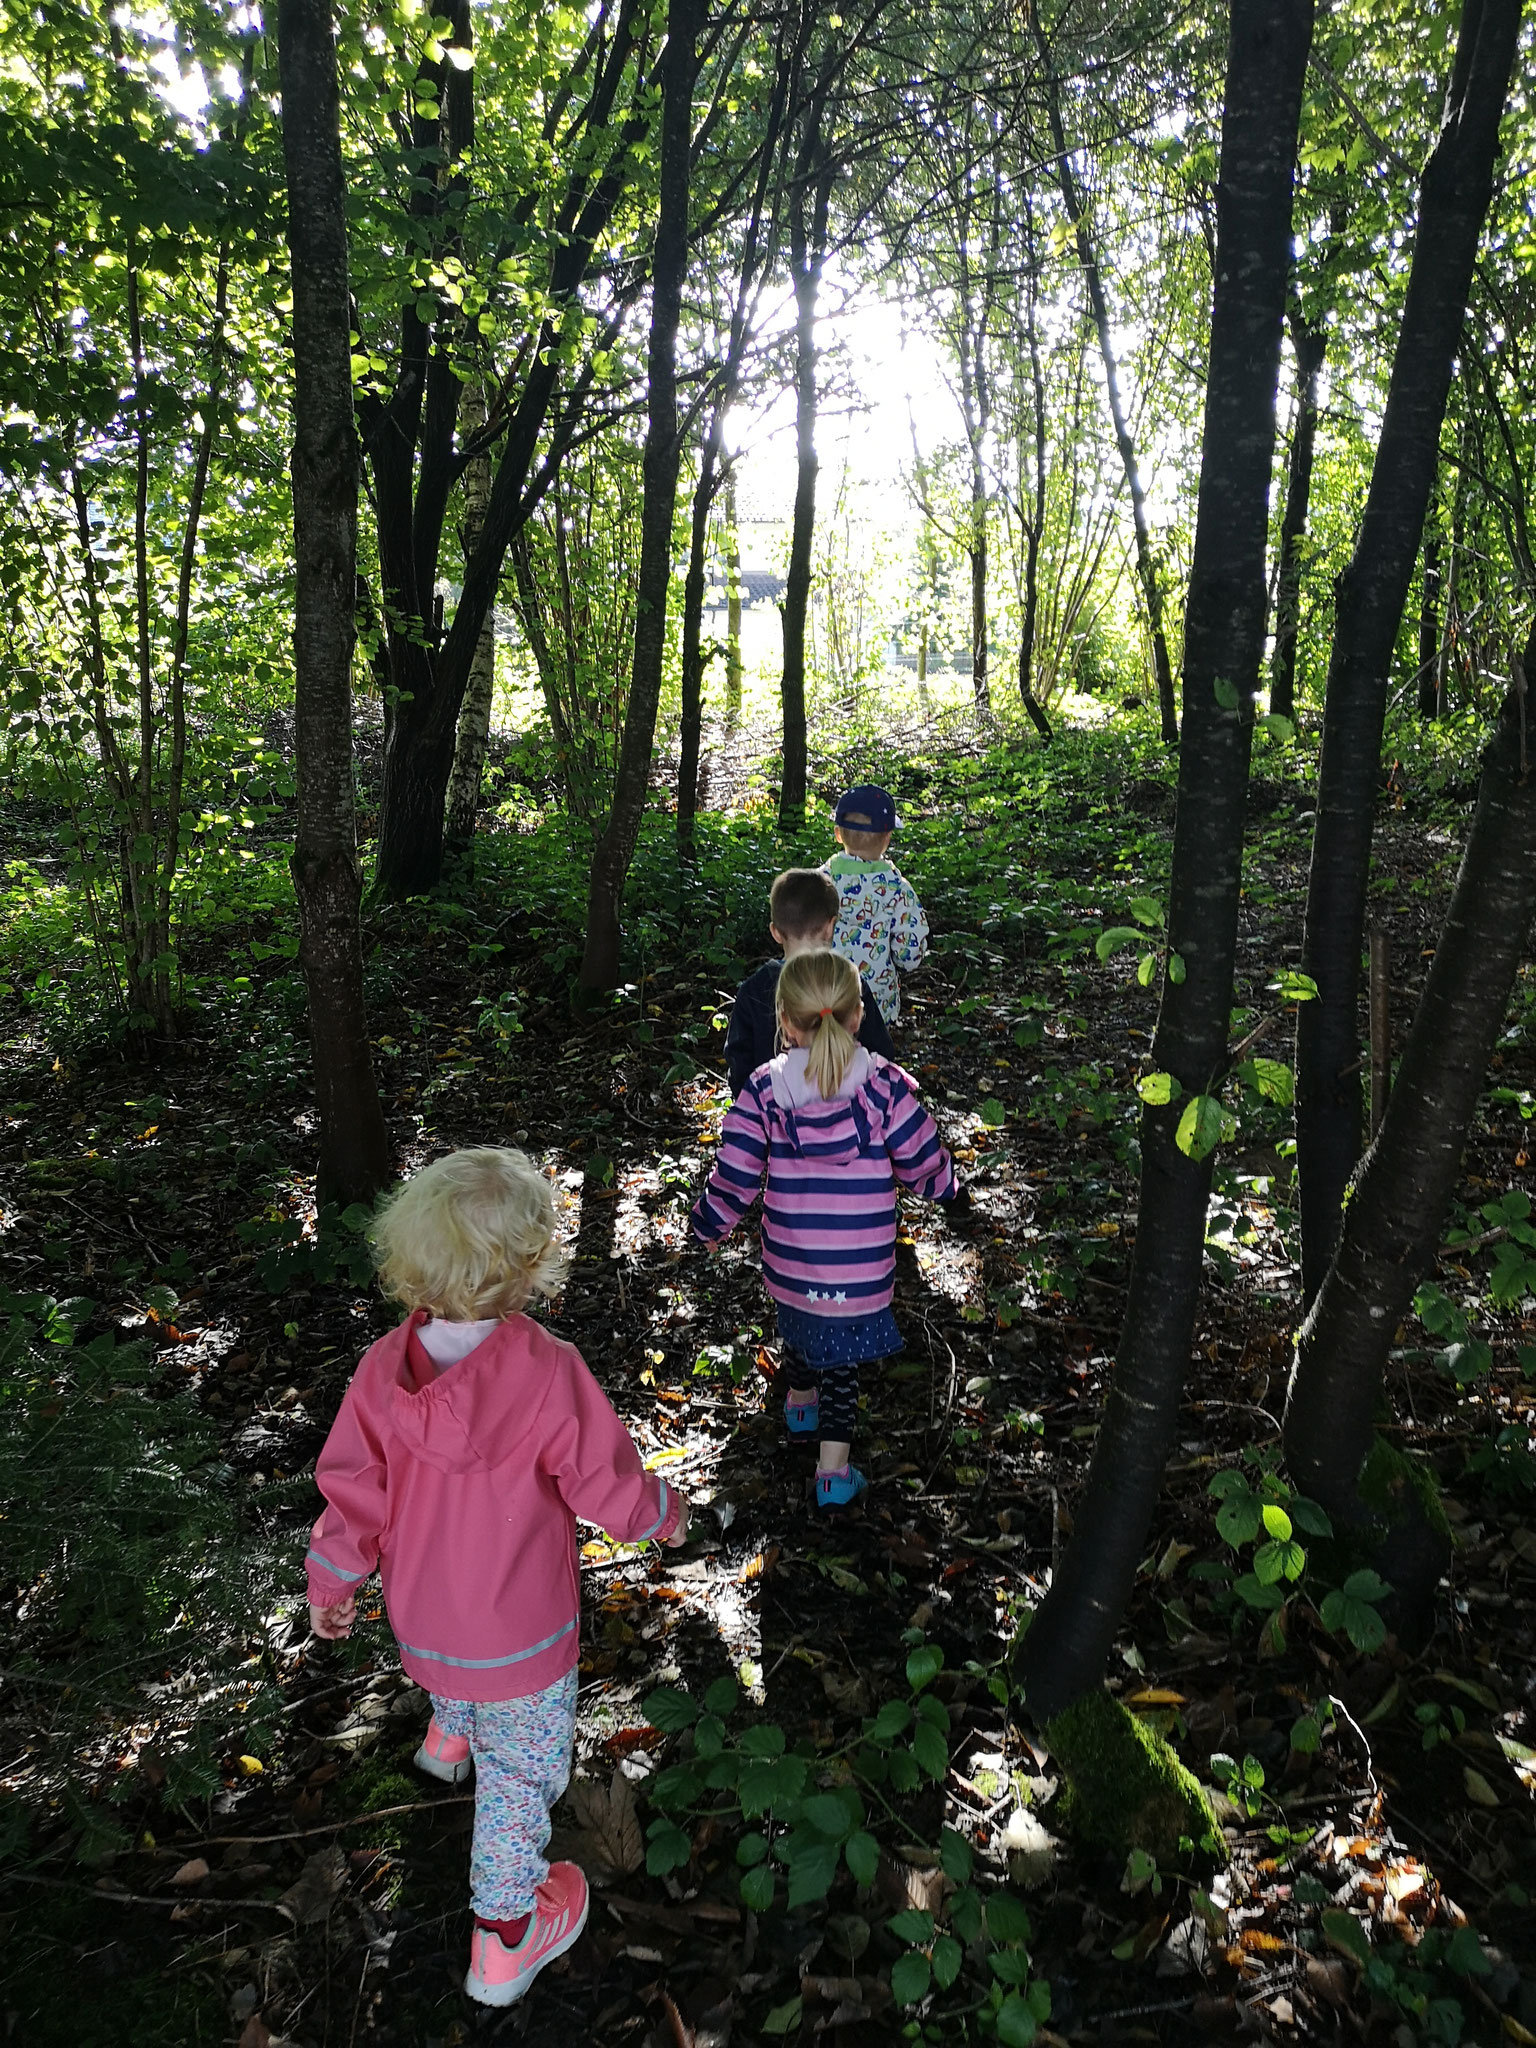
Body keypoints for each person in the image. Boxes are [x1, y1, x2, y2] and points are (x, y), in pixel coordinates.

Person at [304, 1148, 688, 2009]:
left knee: (459, 1665)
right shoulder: (546, 1370)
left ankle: (448, 1739)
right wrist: (662, 1513)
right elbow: (603, 1481)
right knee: (518, 1782)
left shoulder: (383, 1370)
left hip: (425, 1619)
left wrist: (331, 1581)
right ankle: (506, 1938)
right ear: (525, 1268)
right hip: (519, 1633)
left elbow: (353, 1492)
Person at [692, 949, 956, 1509]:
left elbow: (736, 1173)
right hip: (860, 1266)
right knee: (843, 1364)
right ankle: (832, 1475)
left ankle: (800, 1404)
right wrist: (944, 1184)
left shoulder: (765, 1090)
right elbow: (921, 1156)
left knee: (799, 1321)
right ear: (857, 1016)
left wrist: (709, 1223)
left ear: (784, 1023)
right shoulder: (884, 1086)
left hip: (792, 1258)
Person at [725, 867, 895, 1096]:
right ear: (830, 927)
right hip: (851, 1111)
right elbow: (882, 1054)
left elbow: (739, 1067)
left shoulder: (753, 990)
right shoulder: (847, 981)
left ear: (776, 932)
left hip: (774, 1112)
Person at [823, 783, 929, 1028]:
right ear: (887, 838)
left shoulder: (818, 883)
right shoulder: (899, 890)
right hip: (877, 1003)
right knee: (872, 1051)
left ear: (838, 834)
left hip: (824, 995)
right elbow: (909, 953)